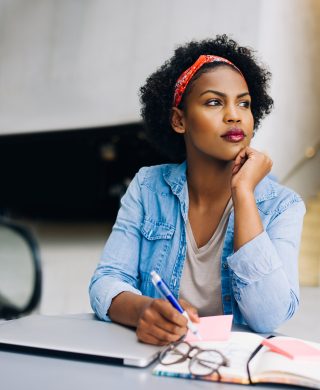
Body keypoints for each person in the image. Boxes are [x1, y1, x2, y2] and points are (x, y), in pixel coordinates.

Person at [89, 34, 305, 346]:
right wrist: (143, 310)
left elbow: (268, 317)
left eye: (243, 103)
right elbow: (106, 281)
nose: (234, 114)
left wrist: (244, 193)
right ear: (179, 120)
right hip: (156, 361)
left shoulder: (283, 206)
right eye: (214, 102)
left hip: (233, 369)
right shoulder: (149, 187)